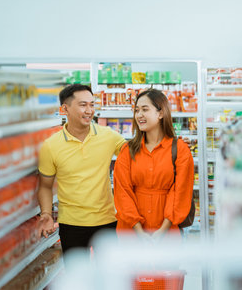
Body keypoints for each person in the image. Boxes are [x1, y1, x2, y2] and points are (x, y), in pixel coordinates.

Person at [37, 84, 126, 256]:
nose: (89, 110)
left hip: (107, 221)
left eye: (92, 104)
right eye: (83, 105)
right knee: (77, 278)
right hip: (71, 224)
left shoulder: (109, 136)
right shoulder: (51, 146)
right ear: (65, 109)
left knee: (110, 278)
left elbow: (137, 154)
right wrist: (46, 214)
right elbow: (45, 186)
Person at [113, 89, 194, 242]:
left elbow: (180, 192)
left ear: (161, 113)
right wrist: (138, 229)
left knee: (166, 267)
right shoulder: (127, 150)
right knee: (133, 267)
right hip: (130, 232)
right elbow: (122, 192)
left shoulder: (180, 150)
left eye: (145, 109)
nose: (139, 115)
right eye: (137, 110)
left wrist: (163, 230)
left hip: (167, 232)